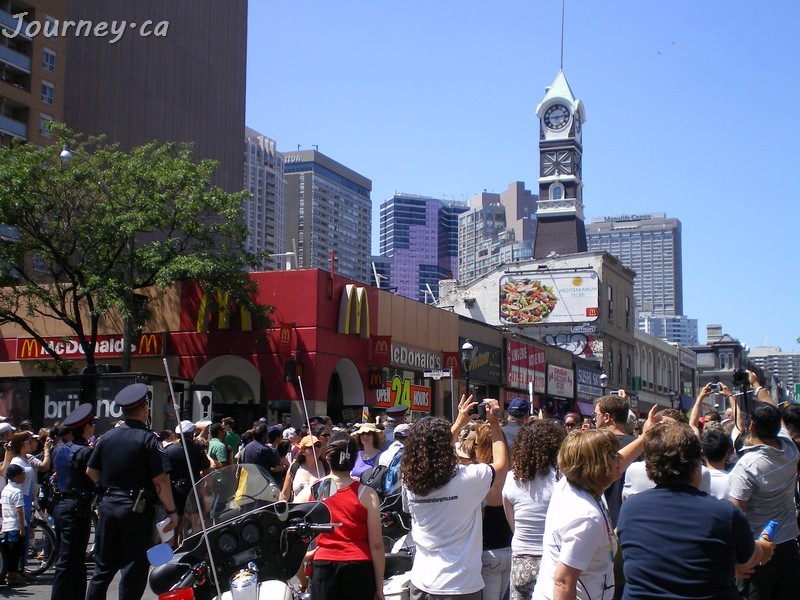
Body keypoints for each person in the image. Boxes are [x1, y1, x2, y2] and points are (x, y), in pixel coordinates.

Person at [617, 422, 773, 599]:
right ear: (696, 464)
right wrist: (764, 547)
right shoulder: (724, 513)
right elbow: (749, 559)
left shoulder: (630, 508)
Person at [532, 406, 658, 600]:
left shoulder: (570, 482)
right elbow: (563, 581)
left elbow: (619, 463)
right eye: (612, 455)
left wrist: (644, 437)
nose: (619, 459)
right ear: (597, 466)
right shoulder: (586, 517)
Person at [401, 395, 508, 599]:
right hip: (460, 586)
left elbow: (430, 450)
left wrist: (459, 423)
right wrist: (494, 424)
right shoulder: (468, 478)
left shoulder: (411, 480)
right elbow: (502, 463)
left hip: (422, 583)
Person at [86, 383, 179, 600]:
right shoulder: (148, 439)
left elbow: (91, 471)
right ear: (145, 407)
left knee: (102, 569)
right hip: (136, 510)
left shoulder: (107, 437)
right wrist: (172, 511)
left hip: (108, 507)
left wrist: (105, 491)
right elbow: (161, 480)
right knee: (132, 571)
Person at [728, 381, 800, 600]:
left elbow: (736, 515)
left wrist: (737, 558)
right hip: (789, 546)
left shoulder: (747, 465)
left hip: (758, 551)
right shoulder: (791, 450)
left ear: (751, 428)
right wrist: (757, 386)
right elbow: (774, 408)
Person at [308, 431, 385, 600]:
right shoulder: (367, 493)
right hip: (359, 567)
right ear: (354, 459)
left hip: (324, 565)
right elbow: (377, 544)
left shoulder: (316, 489)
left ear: (328, 458)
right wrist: (379, 587)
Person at [502, 419, 566, 600]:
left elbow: (512, 523)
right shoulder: (561, 480)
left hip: (521, 558)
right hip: (553, 559)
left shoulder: (511, 479)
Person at [51, 404, 96, 600]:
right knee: (69, 560)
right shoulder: (85, 452)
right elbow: (95, 478)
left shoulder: (58, 450)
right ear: (86, 427)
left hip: (62, 506)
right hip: (76, 509)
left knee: (74, 559)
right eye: (92, 423)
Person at [9, 428, 52, 576]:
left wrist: (47, 450)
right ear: (20, 443)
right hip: (20, 498)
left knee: (26, 534)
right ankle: (17, 569)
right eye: (27, 440)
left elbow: (44, 466)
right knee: (20, 533)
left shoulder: (28, 457)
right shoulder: (16, 461)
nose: (31, 442)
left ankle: (23, 567)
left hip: (29, 498)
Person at [592, 392, 639, 527]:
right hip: (631, 522)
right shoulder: (639, 446)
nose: (594, 419)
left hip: (603, 521)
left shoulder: (595, 446)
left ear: (607, 417)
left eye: (596, 414)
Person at [165, 420, 211, 515]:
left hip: (175, 491)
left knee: (178, 518)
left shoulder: (169, 450)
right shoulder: (198, 449)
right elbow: (206, 472)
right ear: (191, 434)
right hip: (193, 488)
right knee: (196, 519)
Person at [279, 434, 328, 502]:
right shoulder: (294, 468)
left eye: (318, 446)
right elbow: (284, 495)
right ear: (303, 451)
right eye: (312, 446)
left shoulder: (327, 467)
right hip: (298, 510)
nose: (316, 449)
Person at [1, 463, 27, 586]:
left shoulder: (5, 490)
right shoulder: (17, 491)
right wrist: (22, 528)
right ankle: (13, 575)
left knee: (8, 552)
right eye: (23, 474)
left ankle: (9, 574)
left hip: (6, 525)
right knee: (16, 552)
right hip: (15, 526)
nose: (24, 476)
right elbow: (19, 511)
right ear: (16, 476)